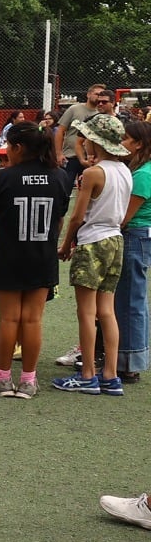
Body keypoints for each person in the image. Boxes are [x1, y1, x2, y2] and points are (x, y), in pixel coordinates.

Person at [0, 121, 72, 398]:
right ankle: (29, 380)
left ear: (18, 147)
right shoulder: (59, 178)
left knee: (9, 320)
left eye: (8, 146)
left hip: (8, 257)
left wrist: (4, 247)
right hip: (42, 257)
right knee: (33, 320)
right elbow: (58, 220)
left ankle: (3, 378)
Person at [53, 112, 132, 395]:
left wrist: (65, 245)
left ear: (95, 141)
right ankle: (110, 374)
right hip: (115, 240)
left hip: (93, 241)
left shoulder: (93, 173)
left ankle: (87, 374)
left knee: (86, 313)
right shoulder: (124, 170)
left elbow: (77, 216)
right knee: (106, 312)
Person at [113, 119, 151, 383]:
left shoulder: (142, 175)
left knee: (129, 300)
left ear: (138, 144)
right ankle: (132, 357)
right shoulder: (142, 171)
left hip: (135, 235)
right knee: (134, 299)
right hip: (142, 235)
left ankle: (129, 361)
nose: (121, 144)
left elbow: (124, 217)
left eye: (125, 139)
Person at [55, 84, 113, 190]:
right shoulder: (74, 109)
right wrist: (59, 153)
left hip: (90, 159)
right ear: (88, 94)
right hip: (70, 156)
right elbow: (60, 131)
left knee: (88, 191)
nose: (99, 97)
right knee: (64, 189)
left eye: (101, 95)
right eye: (96, 94)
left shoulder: (100, 115)